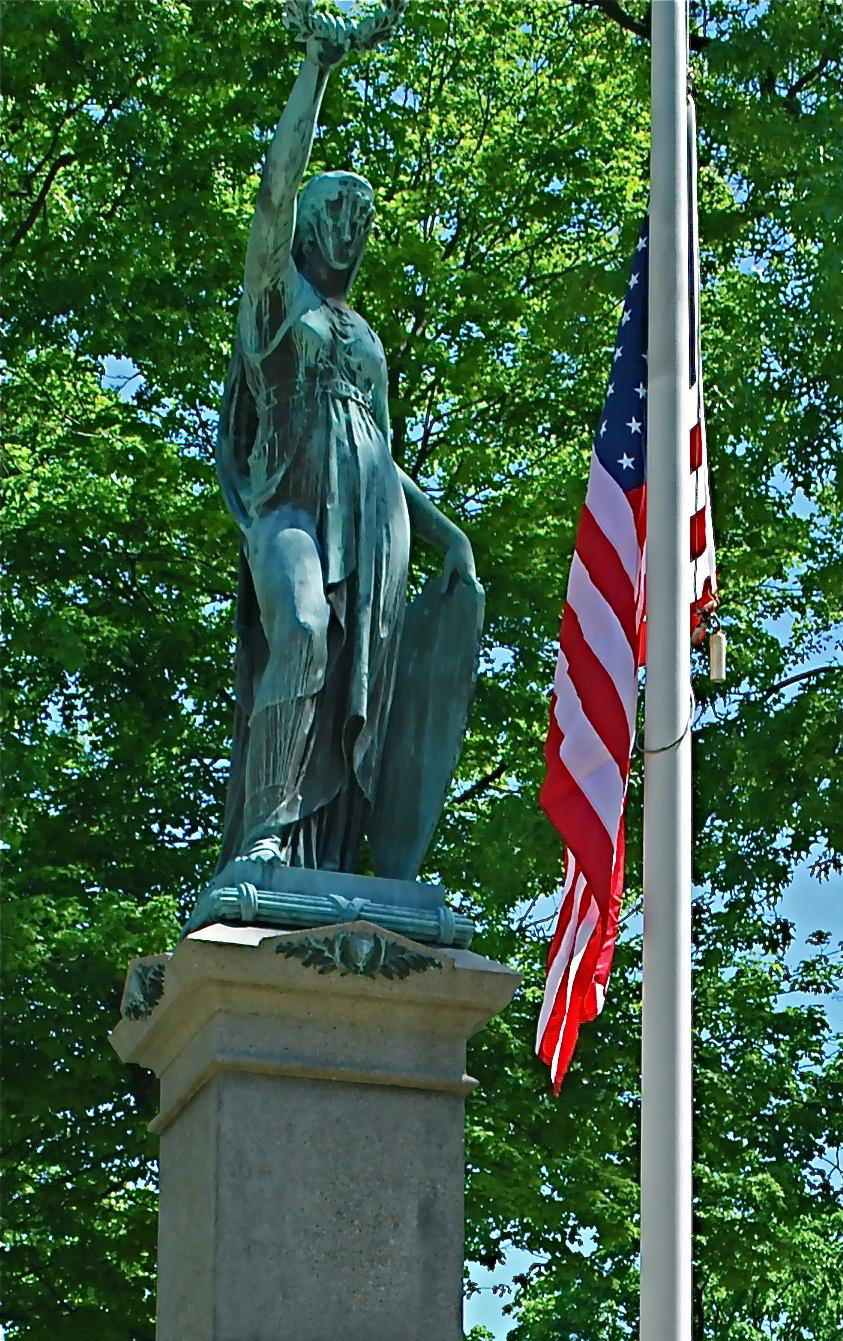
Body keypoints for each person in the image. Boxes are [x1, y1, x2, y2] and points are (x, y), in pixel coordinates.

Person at [215, 21, 479, 875]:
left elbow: (382, 453)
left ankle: (338, 860)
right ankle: (266, 831)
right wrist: (315, 73)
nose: (349, 227)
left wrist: (449, 535)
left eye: (362, 217)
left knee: (363, 688)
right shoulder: (275, 303)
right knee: (299, 627)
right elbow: (271, 194)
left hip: (374, 525)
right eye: (336, 210)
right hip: (290, 508)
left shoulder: (364, 336)